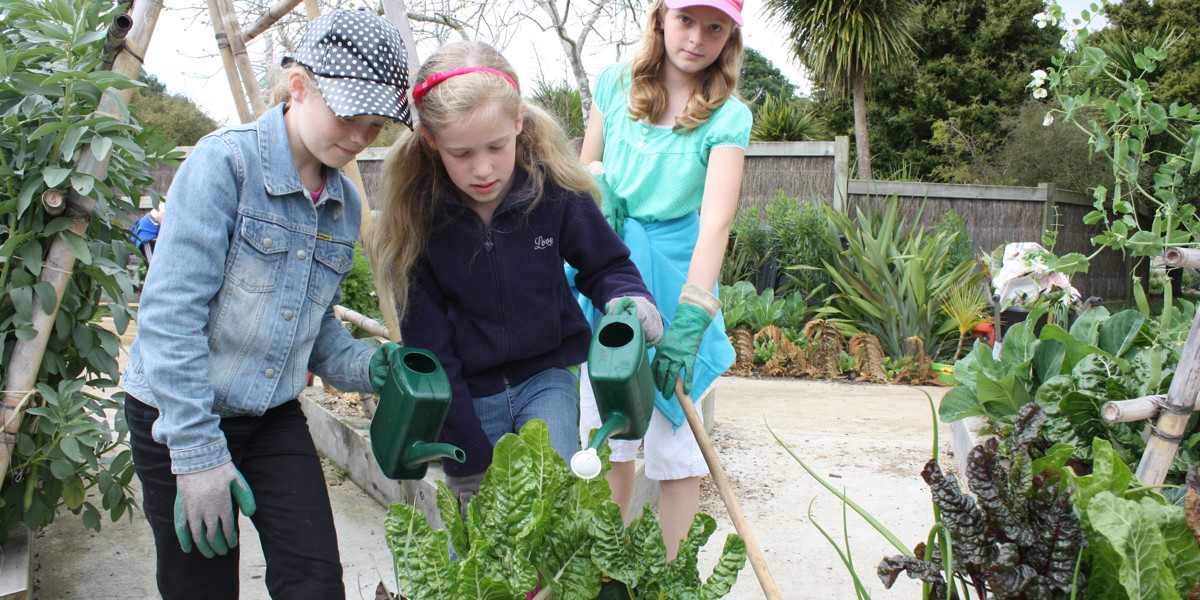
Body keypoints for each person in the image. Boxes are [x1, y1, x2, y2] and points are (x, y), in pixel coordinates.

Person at [119, 9, 412, 599]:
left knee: (315, 580)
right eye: (349, 115)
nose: (359, 136)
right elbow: (169, 319)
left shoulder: (344, 205)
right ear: (299, 83)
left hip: (271, 415)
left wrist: (369, 365)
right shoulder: (223, 164)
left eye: (376, 124)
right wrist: (197, 455)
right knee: (201, 583)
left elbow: (315, 326)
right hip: (177, 413)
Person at [366, 40, 662, 513]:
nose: (482, 169)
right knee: (484, 530)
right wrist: (468, 458)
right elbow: (431, 351)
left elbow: (606, 265)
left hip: (547, 377)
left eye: (496, 147)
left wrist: (630, 297)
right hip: (468, 394)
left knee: (552, 506)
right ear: (431, 142)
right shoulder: (418, 220)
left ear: (518, 123)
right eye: (461, 153)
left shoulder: (556, 191)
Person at [577, 0, 751, 561]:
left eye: (715, 26)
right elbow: (586, 174)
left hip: (678, 270)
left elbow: (717, 221)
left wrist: (692, 318)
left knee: (677, 445)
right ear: (660, 18)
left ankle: (670, 579)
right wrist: (601, 212)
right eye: (686, 19)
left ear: (729, 36)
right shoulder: (612, 84)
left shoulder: (728, 116)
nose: (698, 37)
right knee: (611, 437)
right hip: (609, 266)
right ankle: (605, 569)